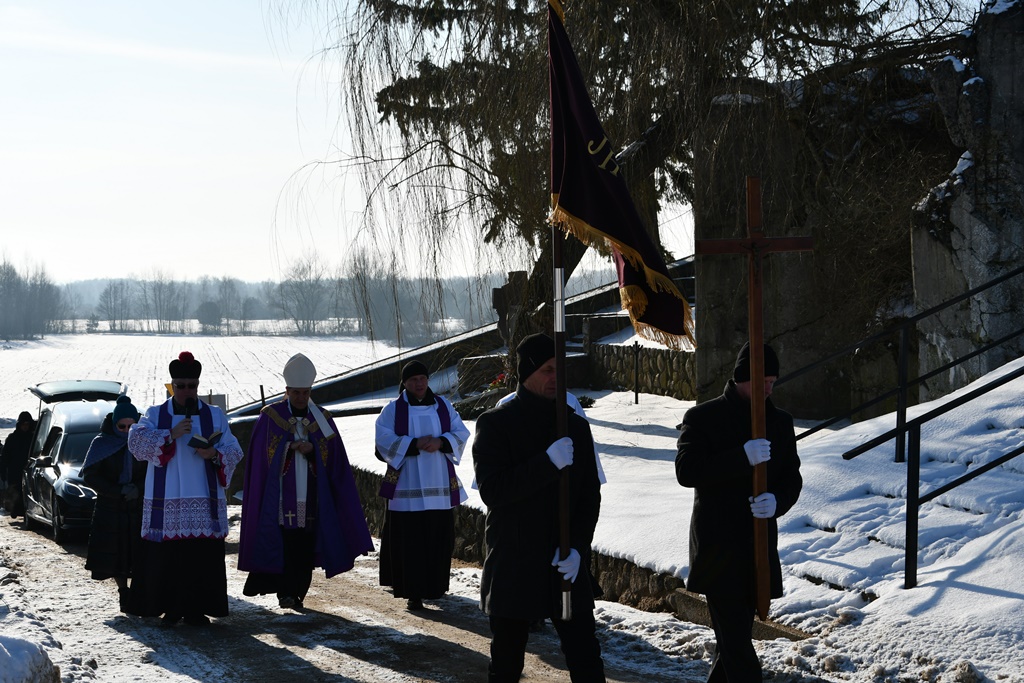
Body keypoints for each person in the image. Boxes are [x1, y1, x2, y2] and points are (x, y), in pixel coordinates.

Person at [472, 333, 605, 682]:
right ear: (526, 373)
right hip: (515, 561)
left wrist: (577, 548)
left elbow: (589, 496)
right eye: (548, 370)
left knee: (586, 657)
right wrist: (546, 463)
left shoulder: (575, 426)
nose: (556, 378)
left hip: (564, 562)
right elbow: (493, 490)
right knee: (507, 662)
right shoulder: (496, 424)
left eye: (560, 369)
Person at [675, 342, 803, 682]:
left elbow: (792, 477)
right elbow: (687, 471)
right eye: (764, 382)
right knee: (737, 647)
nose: (769, 389)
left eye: (773, 382)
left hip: (757, 549)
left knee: (733, 643)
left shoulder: (780, 422)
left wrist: (777, 501)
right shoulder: (703, 418)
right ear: (743, 377)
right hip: (718, 550)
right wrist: (740, 457)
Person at [239, 353, 374, 609]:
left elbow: (335, 459)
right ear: (287, 391)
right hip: (281, 495)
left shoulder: (322, 419)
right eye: (296, 393)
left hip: (312, 494)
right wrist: (288, 448)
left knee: (305, 546)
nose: (301, 397)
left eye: (305, 393)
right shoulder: (271, 417)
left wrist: (313, 452)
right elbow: (261, 459)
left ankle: (298, 593)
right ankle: (285, 593)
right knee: (287, 543)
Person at [127, 351, 244, 626]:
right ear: (172, 386)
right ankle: (170, 609)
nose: (186, 391)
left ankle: (196, 610)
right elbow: (135, 441)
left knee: (198, 557)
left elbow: (234, 450)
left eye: (192, 386)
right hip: (167, 498)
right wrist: (170, 434)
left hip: (203, 498)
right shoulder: (156, 414)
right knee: (169, 558)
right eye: (180, 386)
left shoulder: (214, 415)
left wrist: (214, 454)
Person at [374, 360, 470, 611]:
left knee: (437, 537)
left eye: (422, 379)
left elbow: (461, 432)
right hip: (408, 485)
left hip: (438, 484)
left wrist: (441, 442)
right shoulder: (393, 410)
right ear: (405, 383)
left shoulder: (443, 405)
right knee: (411, 541)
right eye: (413, 380)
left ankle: (435, 587)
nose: (419, 384)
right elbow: (382, 439)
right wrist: (413, 444)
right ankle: (413, 592)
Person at [81, 395, 147, 612]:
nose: (127, 431)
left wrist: (138, 488)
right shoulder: (101, 443)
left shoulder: (144, 443)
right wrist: (118, 491)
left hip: (138, 507)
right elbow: (91, 475)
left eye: (132, 426)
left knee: (139, 552)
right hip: (111, 508)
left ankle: (138, 594)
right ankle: (123, 592)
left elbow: (154, 471)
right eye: (122, 426)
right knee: (116, 553)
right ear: (114, 424)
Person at [1, 411, 35, 518]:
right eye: (23, 424)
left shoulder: (33, 438)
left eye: (27, 424)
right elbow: (5, 455)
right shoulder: (12, 438)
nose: (25, 427)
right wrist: (3, 470)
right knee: (15, 492)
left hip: (28, 469)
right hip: (14, 471)